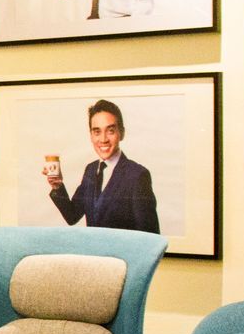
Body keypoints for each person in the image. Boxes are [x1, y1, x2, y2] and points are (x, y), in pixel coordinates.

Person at [43, 98, 160, 233]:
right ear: (91, 135)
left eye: (110, 131)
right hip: (92, 248)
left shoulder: (137, 175)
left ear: (121, 133)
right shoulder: (90, 170)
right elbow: (72, 216)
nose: (103, 139)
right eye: (97, 132)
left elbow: (150, 237)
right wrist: (57, 186)